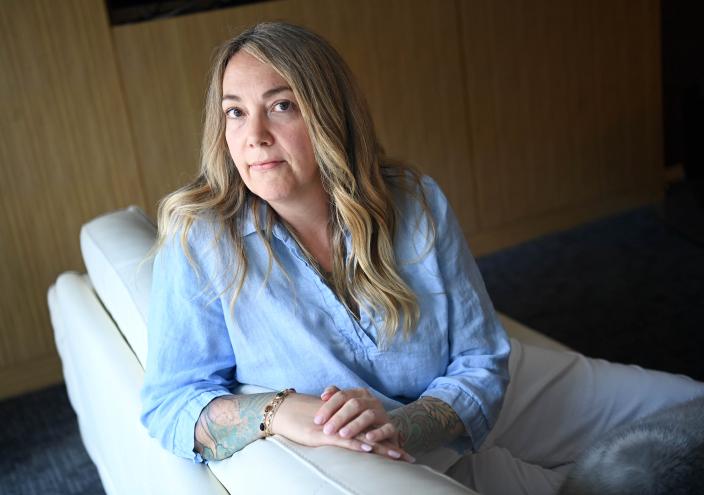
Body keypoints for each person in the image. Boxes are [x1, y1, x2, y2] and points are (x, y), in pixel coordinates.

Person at [141, 22, 704, 494]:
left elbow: (482, 360)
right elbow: (169, 406)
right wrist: (278, 412)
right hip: (429, 464)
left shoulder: (413, 200)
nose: (253, 135)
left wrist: (406, 423)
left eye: (280, 105)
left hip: (465, 400)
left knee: (690, 407)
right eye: (234, 112)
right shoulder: (202, 240)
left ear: (328, 114)